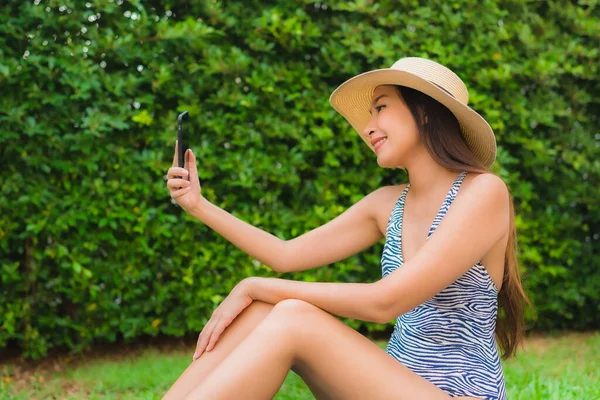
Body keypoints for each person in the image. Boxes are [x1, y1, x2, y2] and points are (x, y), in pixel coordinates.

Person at [162, 57, 531, 400]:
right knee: (259, 312)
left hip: (458, 393)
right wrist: (198, 205)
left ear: (424, 112)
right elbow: (286, 254)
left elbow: (387, 300)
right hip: (389, 384)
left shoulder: (483, 192)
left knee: (292, 316)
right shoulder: (386, 204)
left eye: (381, 107)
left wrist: (254, 285)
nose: (368, 127)